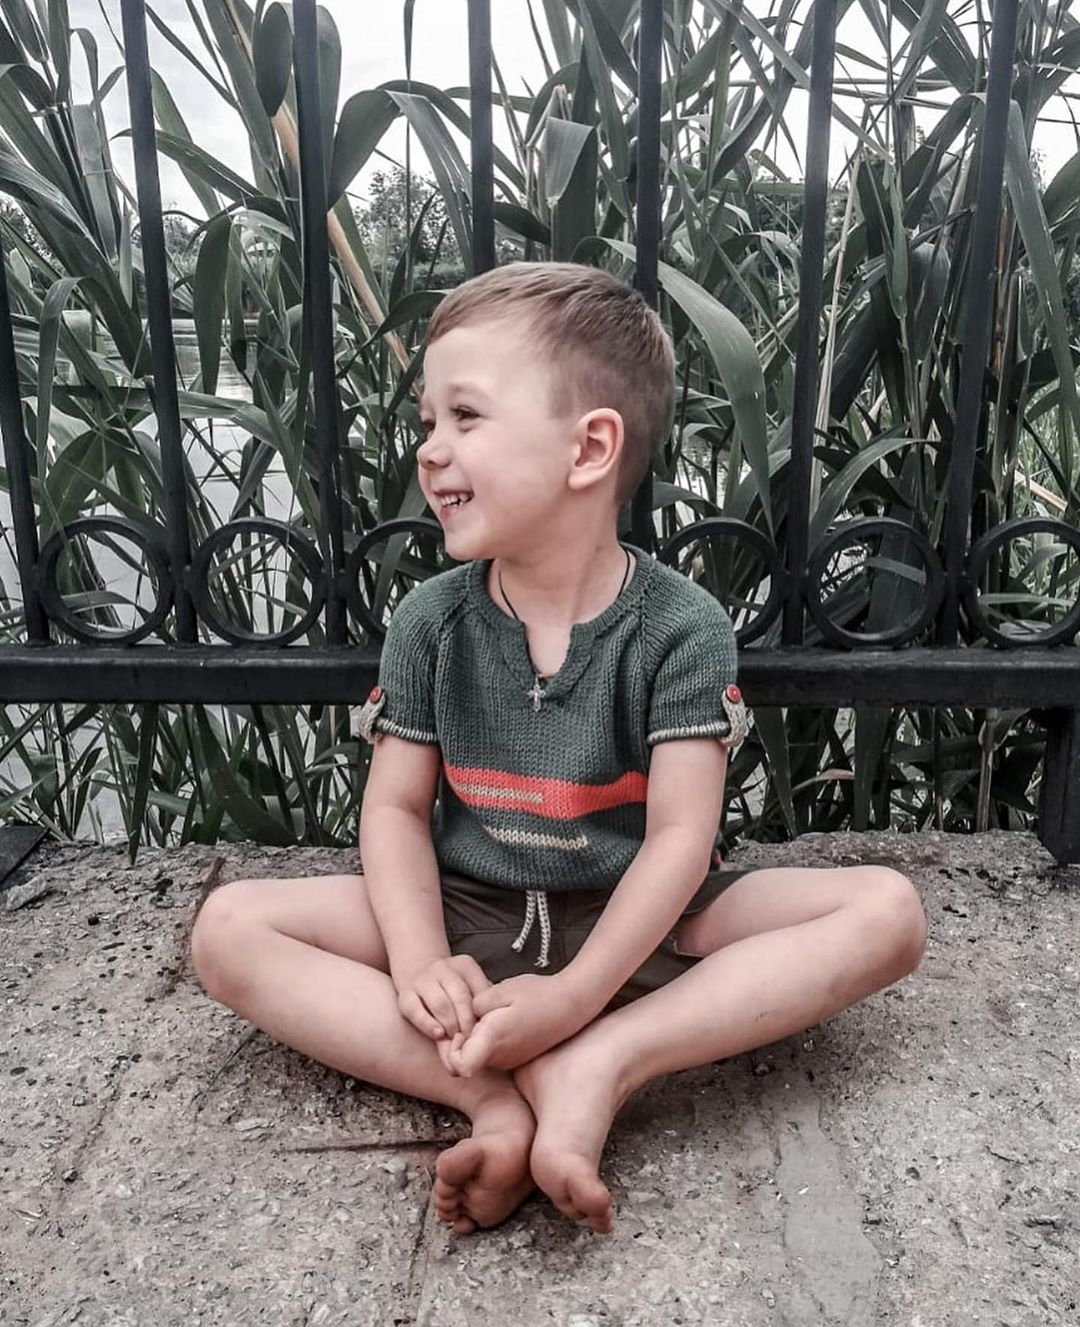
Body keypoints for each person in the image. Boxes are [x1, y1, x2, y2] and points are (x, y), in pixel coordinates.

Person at [190, 261, 927, 1238]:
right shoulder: (431, 622)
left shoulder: (680, 627)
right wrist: (420, 960)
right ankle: (493, 1097)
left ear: (589, 449)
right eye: (428, 421)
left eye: (465, 416)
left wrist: (578, 998)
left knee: (887, 911)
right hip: (471, 910)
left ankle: (603, 1060)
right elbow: (397, 808)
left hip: (642, 923)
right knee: (228, 928)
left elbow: (679, 838)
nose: (430, 450)